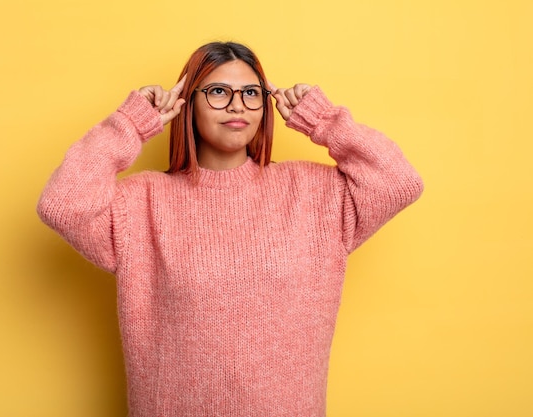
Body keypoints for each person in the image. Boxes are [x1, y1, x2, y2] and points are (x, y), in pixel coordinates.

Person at [37, 41, 423, 417]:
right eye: (218, 91)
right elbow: (64, 205)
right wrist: (129, 125)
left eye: (251, 93)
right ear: (187, 103)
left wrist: (324, 121)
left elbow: (397, 182)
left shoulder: (313, 194)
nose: (237, 104)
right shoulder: (141, 203)